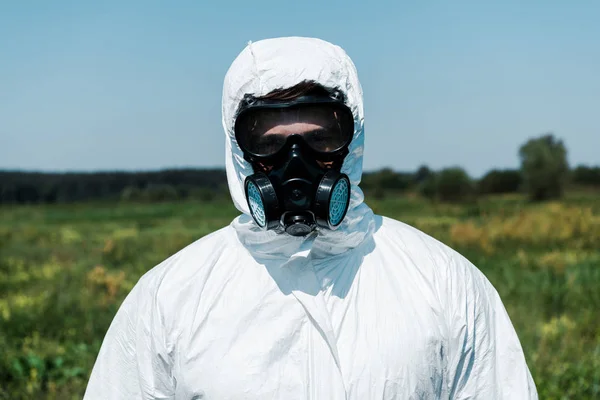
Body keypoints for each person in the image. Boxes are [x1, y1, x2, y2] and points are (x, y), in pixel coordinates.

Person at [84, 37, 538, 399]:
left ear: (352, 142)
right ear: (239, 151)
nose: (295, 162)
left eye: (321, 137)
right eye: (268, 142)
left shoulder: (444, 283)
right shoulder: (171, 297)